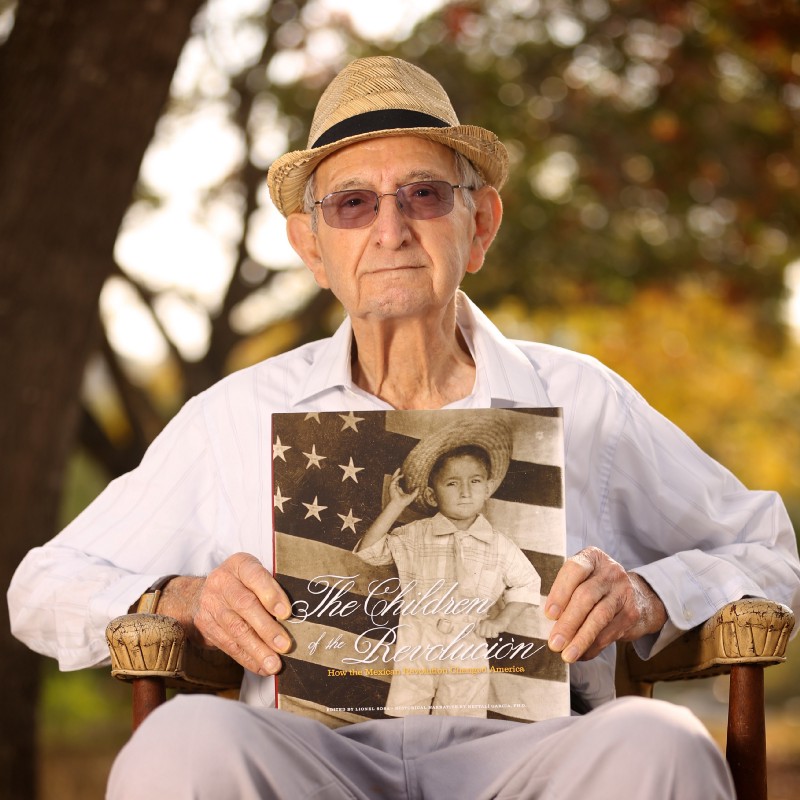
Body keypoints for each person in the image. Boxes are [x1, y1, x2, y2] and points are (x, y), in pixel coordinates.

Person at [7, 55, 800, 799]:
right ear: (312, 247)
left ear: (480, 224)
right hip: (312, 762)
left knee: (662, 743)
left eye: (424, 195)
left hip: (529, 760)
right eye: (352, 204)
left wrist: (647, 596)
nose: (391, 231)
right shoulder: (232, 418)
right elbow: (41, 587)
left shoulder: (586, 399)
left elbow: (768, 551)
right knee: (178, 743)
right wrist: (181, 596)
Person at [355, 416, 541, 717]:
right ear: (431, 494)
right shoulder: (415, 534)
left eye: (475, 481)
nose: (465, 492)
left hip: (469, 643)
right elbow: (370, 551)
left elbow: (528, 583)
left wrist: (500, 621)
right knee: (406, 718)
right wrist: (396, 506)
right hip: (417, 639)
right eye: (452, 483)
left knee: (461, 722)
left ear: (488, 488)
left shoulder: (499, 545)